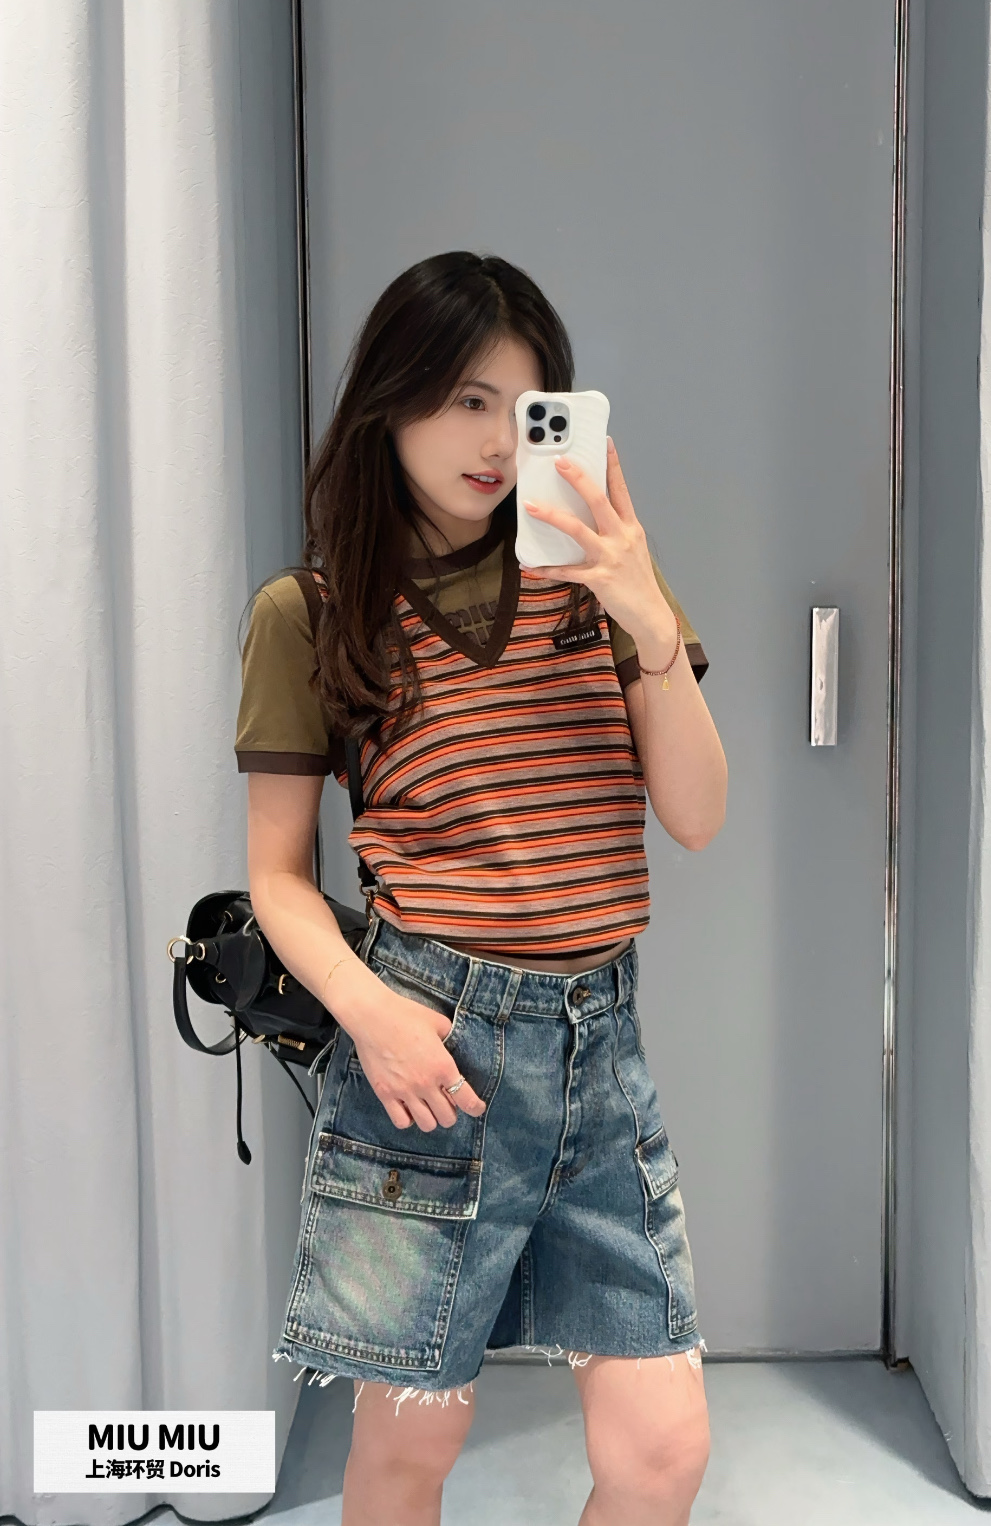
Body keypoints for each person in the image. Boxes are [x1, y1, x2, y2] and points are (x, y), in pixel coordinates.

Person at [236, 251, 728, 1526]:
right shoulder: (312, 612)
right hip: (429, 1050)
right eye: (464, 399)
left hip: (600, 1054)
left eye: (525, 406)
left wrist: (648, 623)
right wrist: (374, 1015)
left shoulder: (602, 583)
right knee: (412, 1448)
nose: (498, 441)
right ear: (390, 400)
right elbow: (276, 877)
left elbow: (697, 814)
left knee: (663, 1449)